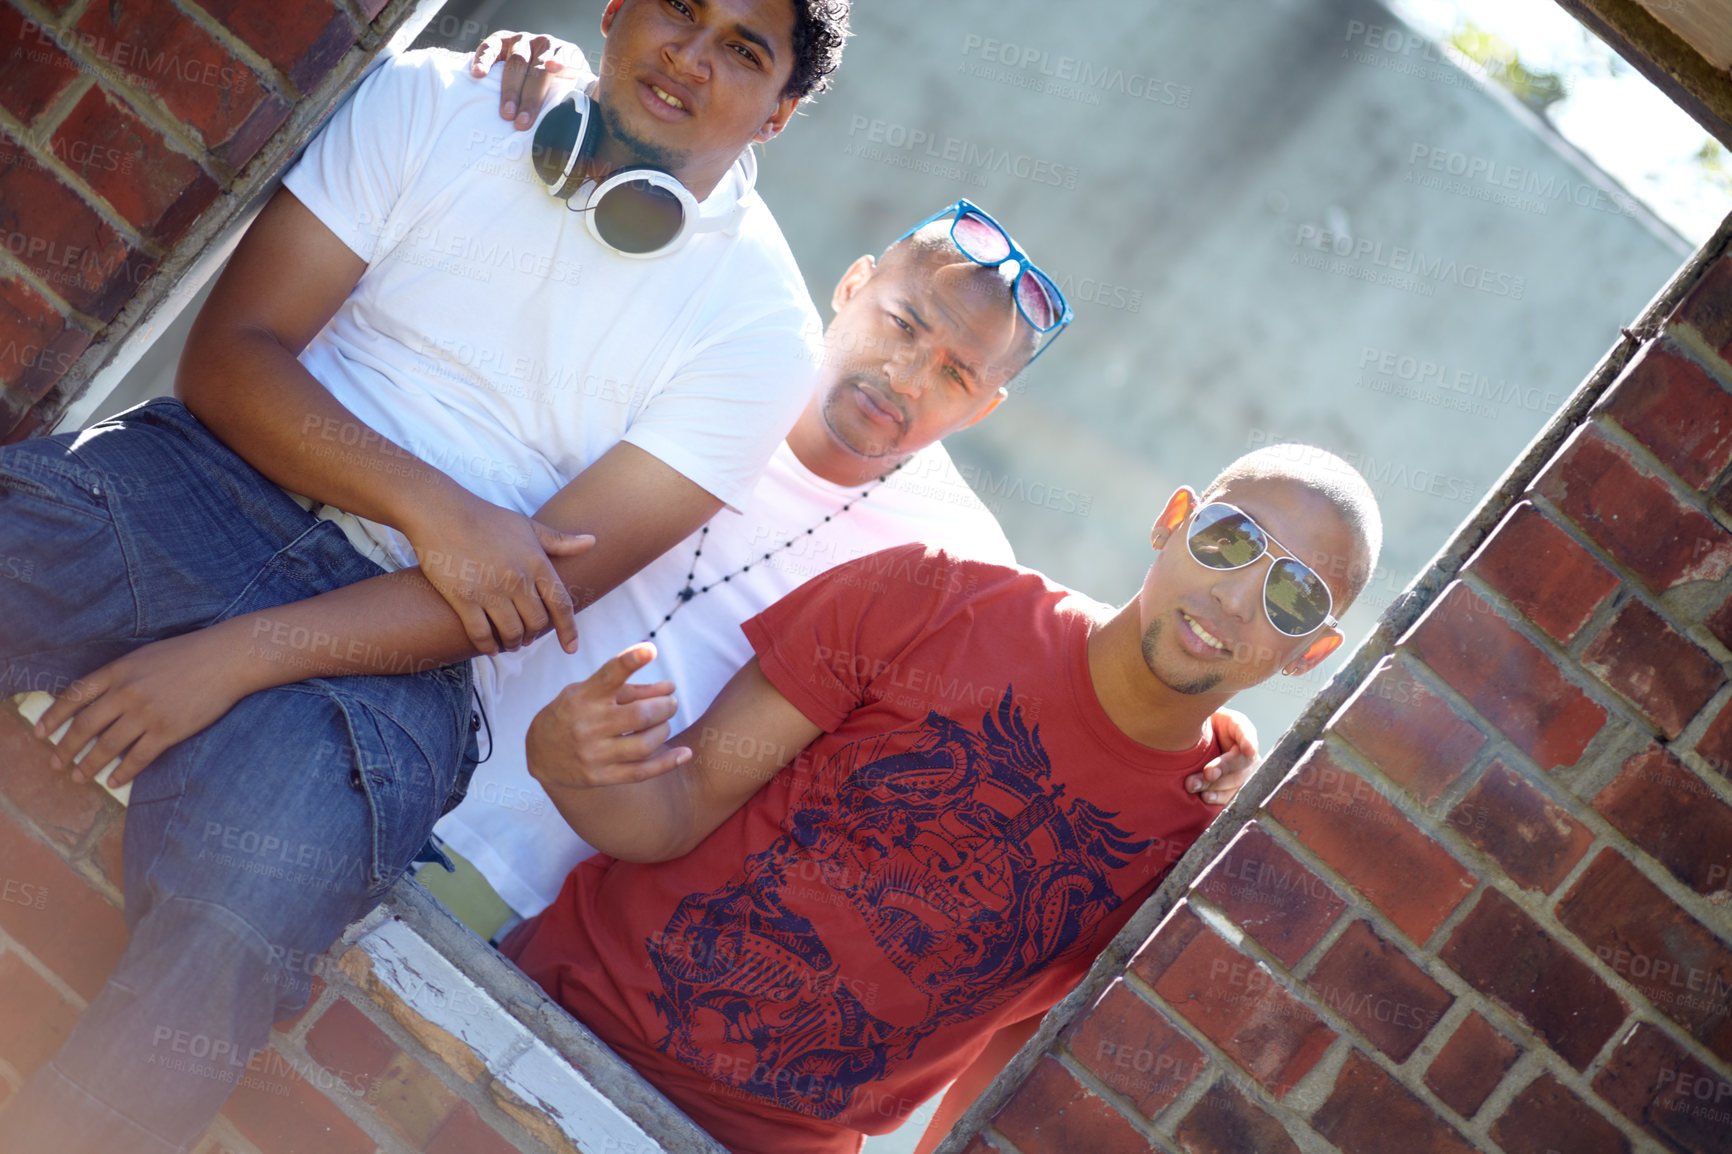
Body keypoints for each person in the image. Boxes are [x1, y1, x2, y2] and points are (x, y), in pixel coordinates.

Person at [0, 2, 850, 1150]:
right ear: (616, 11)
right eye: (678, 9)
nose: (690, 58)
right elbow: (230, 355)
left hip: (402, 652)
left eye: (744, 50)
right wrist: (440, 509)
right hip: (199, 484)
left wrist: (236, 655)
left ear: (783, 114)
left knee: (240, 908)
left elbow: (514, 599)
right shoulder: (443, 101)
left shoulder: (759, 332)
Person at [502, 445, 1382, 1154]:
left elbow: (1018, 1071)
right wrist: (563, 762)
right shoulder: (932, 597)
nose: (1234, 595)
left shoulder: (1202, 848)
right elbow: (677, 808)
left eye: (1294, 597)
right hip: (548, 1027)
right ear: (1174, 520)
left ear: (1310, 654)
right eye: (1231, 540)